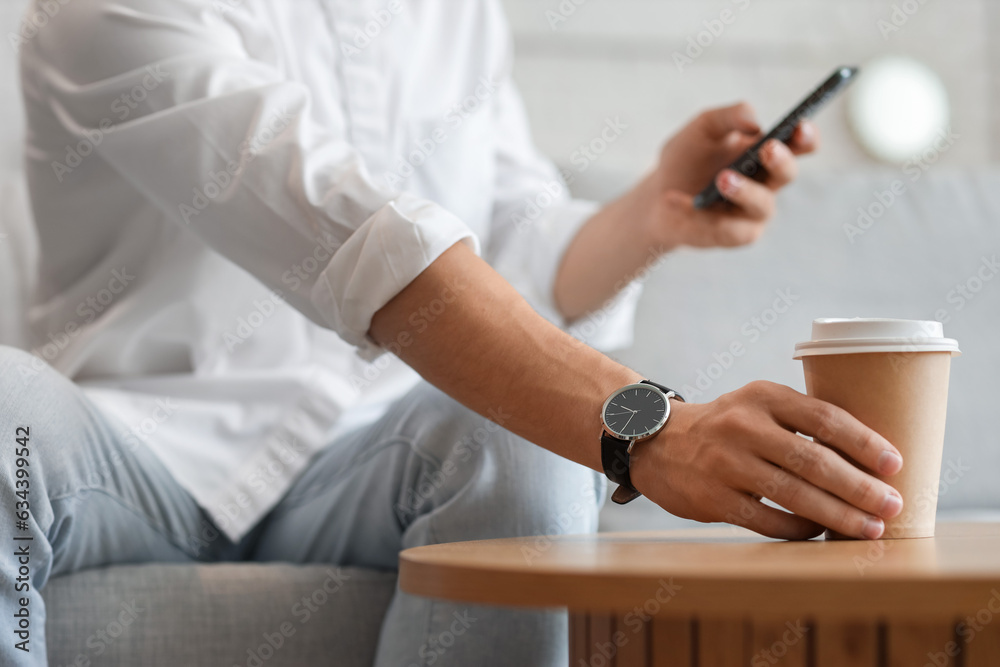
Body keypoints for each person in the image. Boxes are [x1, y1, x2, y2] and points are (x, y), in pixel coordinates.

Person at [4, 0, 904, 665]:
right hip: (138, 451)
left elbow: (515, 244)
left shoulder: (452, 15)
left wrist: (653, 217)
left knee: (526, 440)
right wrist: (655, 428)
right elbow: (361, 244)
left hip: (362, 456)